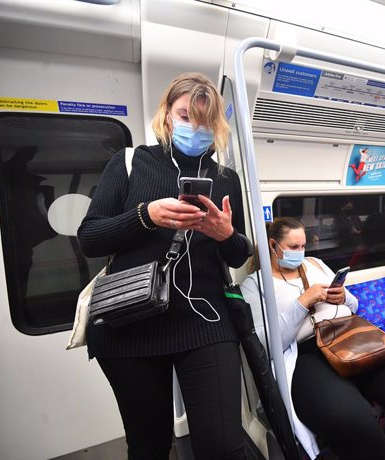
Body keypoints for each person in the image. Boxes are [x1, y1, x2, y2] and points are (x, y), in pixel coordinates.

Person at [78, 73, 252, 459]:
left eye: (206, 121)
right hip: (130, 322)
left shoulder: (225, 179)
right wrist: (146, 215)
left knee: (224, 446)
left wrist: (226, 234)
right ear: (167, 114)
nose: (195, 128)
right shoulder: (129, 163)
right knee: (149, 446)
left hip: (206, 320)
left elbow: (239, 257)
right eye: (186, 115)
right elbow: (89, 237)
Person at [241, 217, 385, 460]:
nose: (300, 252)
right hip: (306, 355)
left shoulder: (315, 264)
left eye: (303, 246)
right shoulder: (256, 285)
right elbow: (264, 347)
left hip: (348, 337)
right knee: (353, 419)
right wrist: (303, 303)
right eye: (293, 247)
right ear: (273, 246)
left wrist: (342, 297)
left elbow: (354, 305)